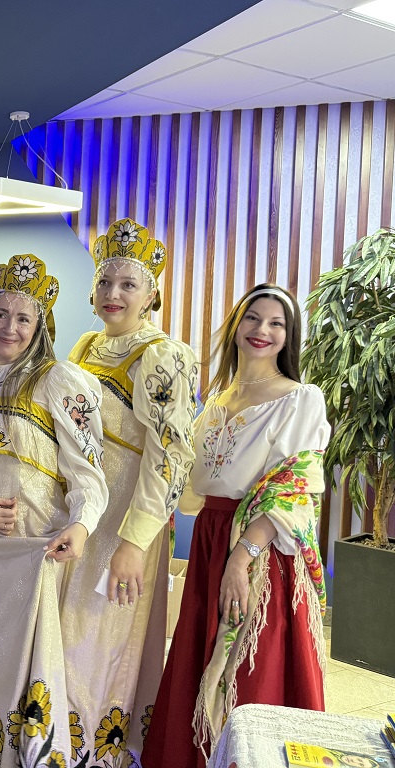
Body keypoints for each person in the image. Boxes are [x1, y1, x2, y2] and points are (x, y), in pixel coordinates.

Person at [142, 283, 331, 768]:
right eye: (253, 318)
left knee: (252, 668)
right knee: (198, 658)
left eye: (276, 323)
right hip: (212, 539)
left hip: (260, 551)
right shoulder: (217, 401)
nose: (262, 330)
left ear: (289, 336)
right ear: (235, 325)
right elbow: (192, 480)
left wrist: (242, 557)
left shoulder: (299, 399)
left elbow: (293, 487)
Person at [0, 254, 109, 768]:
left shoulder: (60, 381)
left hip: (36, 550)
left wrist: (81, 525)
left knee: (32, 666)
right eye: (0, 314)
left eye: (22, 318)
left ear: (40, 326)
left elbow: (88, 474)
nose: (8, 328)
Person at [58, 219, 198, 767]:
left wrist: (135, 542)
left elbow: (172, 457)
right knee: (65, 637)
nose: (113, 293)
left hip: (123, 525)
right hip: (79, 515)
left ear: (151, 294)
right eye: (105, 282)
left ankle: (95, 754)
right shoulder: (86, 345)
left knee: (101, 639)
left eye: (128, 284)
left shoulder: (165, 356)